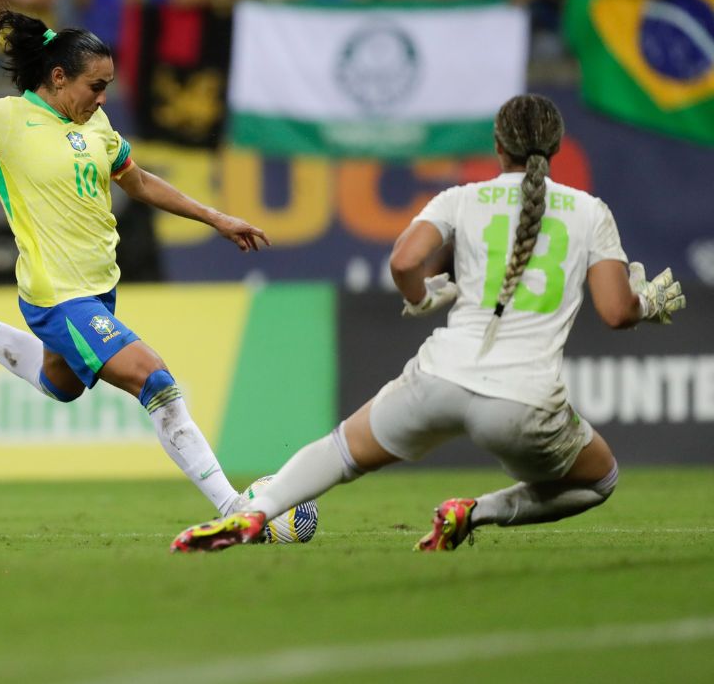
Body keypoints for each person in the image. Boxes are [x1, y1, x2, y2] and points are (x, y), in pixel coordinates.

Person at [171, 93, 687, 553]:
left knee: (340, 451)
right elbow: (617, 312)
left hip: (441, 375)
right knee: (599, 481)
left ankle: (251, 513)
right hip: (524, 401)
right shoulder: (588, 211)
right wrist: (648, 303)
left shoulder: (461, 198)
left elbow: (403, 261)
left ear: (497, 144)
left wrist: (422, 297)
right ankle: (475, 511)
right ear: (555, 146)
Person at [0, 8, 271, 518]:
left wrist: (215, 217)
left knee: (60, 386)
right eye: (95, 85)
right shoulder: (4, 120)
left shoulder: (97, 125)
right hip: (57, 296)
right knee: (157, 382)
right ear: (58, 77)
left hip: (99, 289)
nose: (102, 98)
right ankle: (235, 510)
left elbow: (140, 182)